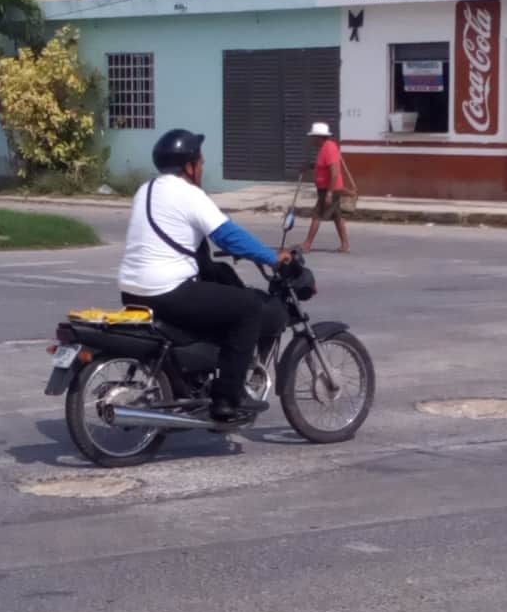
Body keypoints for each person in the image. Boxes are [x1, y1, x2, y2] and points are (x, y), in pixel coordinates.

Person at [118, 128, 291, 423]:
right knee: (248, 308)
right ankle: (226, 400)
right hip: (167, 291)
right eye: (200, 161)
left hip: (132, 290)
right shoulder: (188, 194)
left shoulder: (145, 190)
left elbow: (188, 243)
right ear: (189, 166)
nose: (203, 166)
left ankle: (195, 378)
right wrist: (272, 257)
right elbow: (229, 236)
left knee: (216, 298)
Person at [302, 121, 350, 254]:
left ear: (319, 137)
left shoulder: (329, 148)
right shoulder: (325, 148)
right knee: (337, 216)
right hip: (327, 189)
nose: (312, 139)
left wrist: (329, 193)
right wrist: (311, 166)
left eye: (313, 137)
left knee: (317, 215)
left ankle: (307, 244)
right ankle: (345, 244)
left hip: (330, 189)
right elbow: (322, 166)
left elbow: (334, 173)